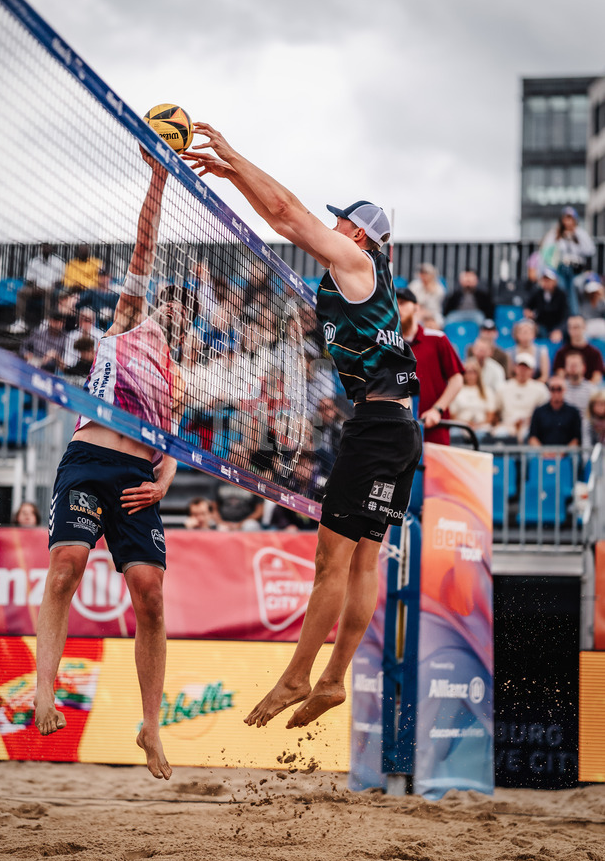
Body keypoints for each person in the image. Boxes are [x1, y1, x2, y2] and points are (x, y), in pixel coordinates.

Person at [185, 123, 421, 730]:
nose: (334, 226)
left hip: (376, 430)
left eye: (343, 220)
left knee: (331, 563)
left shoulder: (356, 259)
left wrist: (236, 158)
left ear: (362, 233)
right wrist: (235, 177)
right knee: (366, 561)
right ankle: (334, 680)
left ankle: (298, 675)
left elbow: (288, 217)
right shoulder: (365, 274)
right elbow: (285, 219)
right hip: (399, 430)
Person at [35, 151, 180, 780]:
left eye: (179, 311)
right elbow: (145, 245)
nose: (169, 313)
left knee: (149, 595)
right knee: (66, 566)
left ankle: (151, 726)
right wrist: (158, 180)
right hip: (89, 458)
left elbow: (171, 454)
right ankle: (44, 689)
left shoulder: (174, 377)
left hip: (136, 483)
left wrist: (160, 488)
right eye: (165, 304)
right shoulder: (123, 330)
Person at [397, 287, 464, 445]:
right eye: (394, 303)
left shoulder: (437, 339)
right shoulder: (387, 344)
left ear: (416, 307)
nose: (398, 307)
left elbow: (457, 379)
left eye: (403, 303)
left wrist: (437, 410)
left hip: (434, 428)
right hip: (398, 430)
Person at [539, 206, 595, 315]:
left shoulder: (580, 234)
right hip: (560, 269)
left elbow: (590, 250)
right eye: (566, 218)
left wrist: (576, 233)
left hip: (576, 270)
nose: (568, 221)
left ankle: (574, 314)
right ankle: (567, 314)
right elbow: (546, 252)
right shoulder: (554, 234)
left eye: (570, 218)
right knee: (562, 287)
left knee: (574, 286)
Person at [10, 244, 65, 333]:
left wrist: (49, 287)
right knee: (21, 292)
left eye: (48, 247)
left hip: (50, 288)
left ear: (52, 249)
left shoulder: (58, 262)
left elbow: (59, 281)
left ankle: (46, 321)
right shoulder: (34, 261)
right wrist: (35, 288)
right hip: (35, 288)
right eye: (44, 247)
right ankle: (20, 321)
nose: (46, 249)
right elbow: (29, 279)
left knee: (49, 293)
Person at [493, 354, 549, 442]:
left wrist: (529, 421)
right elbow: (496, 412)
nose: (523, 371)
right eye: (521, 367)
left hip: (530, 427)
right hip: (507, 426)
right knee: (500, 433)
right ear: (515, 368)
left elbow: (544, 412)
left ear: (532, 371)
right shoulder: (503, 387)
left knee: (531, 434)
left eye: (526, 368)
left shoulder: (540, 389)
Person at [448, 358, 496, 438]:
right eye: (468, 372)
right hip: (461, 426)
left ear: (478, 374)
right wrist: (466, 424)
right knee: (454, 433)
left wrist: (478, 425)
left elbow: (490, 416)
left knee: (482, 434)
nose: (470, 375)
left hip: (482, 427)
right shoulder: (457, 390)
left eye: (474, 372)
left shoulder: (487, 391)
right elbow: (453, 415)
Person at [528, 377, 581, 448]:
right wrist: (543, 452)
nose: (556, 392)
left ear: (565, 390)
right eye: (553, 389)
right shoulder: (538, 411)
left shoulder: (573, 412)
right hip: (542, 456)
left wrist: (563, 452)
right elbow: (532, 437)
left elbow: (576, 438)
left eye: (559, 389)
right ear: (549, 390)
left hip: (567, 455)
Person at [552, 315, 604, 383]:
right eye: (572, 327)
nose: (575, 330)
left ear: (584, 327)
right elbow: (560, 376)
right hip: (567, 390)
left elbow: (597, 377)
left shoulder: (595, 353)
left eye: (577, 327)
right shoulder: (561, 353)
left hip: (589, 390)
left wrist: (585, 390)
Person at [524, 269, 569, 342]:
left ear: (555, 281)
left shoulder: (562, 295)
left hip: (557, 325)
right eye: (544, 280)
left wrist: (559, 330)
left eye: (548, 280)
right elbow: (527, 305)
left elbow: (565, 316)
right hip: (541, 325)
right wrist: (528, 311)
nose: (545, 282)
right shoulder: (537, 292)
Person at [562, 352, 594, 429]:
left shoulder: (592, 390)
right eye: (570, 365)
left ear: (584, 367)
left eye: (576, 365)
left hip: (585, 427)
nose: (573, 368)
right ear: (565, 367)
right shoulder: (558, 389)